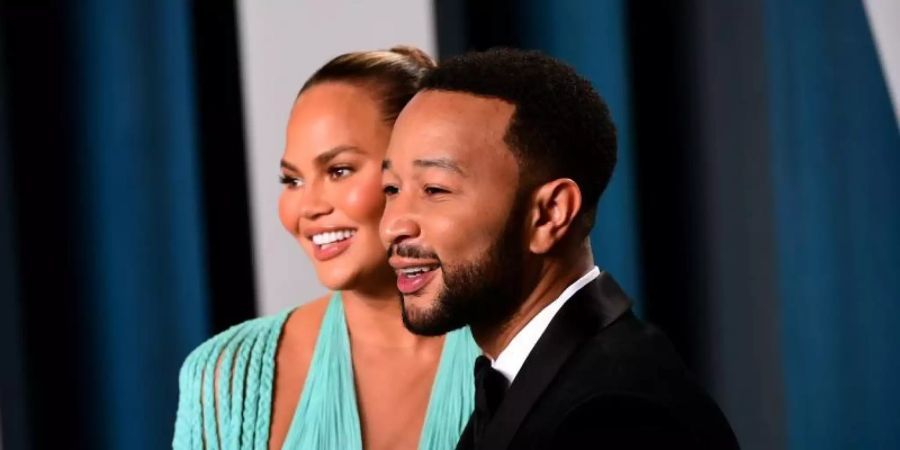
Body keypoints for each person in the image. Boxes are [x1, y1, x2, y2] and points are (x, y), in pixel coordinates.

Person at [380, 48, 739, 450]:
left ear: (550, 213)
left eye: (435, 190)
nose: (393, 224)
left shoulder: (615, 417)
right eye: (392, 189)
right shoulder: (534, 381)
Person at [173, 47, 480, 450]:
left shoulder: (522, 356)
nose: (308, 207)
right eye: (292, 181)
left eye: (339, 171)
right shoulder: (227, 374)